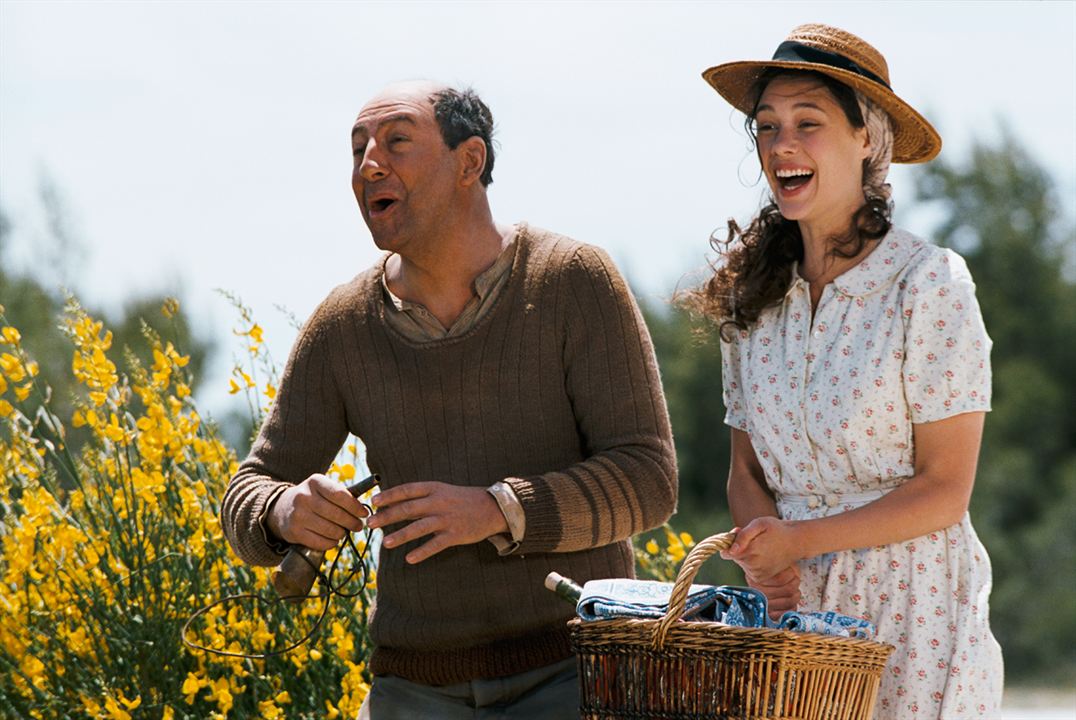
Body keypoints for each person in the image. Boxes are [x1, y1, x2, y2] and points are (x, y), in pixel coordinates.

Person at [220, 80, 678, 719]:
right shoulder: (344, 324)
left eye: (397, 142)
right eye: (358, 150)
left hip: (578, 670)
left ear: (471, 162)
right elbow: (251, 487)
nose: (368, 165)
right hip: (411, 690)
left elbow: (648, 481)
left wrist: (498, 509)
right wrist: (285, 512)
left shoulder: (575, 280)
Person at [688, 24, 1003, 718]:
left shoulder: (929, 285)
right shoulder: (752, 297)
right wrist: (771, 570)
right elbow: (745, 472)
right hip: (793, 621)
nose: (781, 144)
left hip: (917, 616)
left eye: (809, 123)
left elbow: (946, 491)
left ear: (869, 140)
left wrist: (798, 542)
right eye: (766, 126)